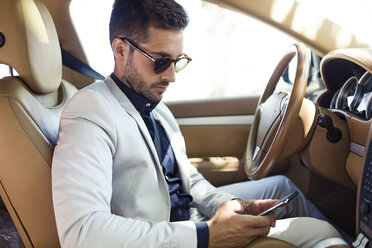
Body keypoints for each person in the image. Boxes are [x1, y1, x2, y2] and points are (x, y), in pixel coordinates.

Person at [52, 0, 348, 247]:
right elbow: (82, 233)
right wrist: (208, 235)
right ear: (121, 50)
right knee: (321, 234)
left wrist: (231, 205)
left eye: (178, 61)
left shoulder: (154, 106)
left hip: (189, 222)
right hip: (167, 234)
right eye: (160, 62)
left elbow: (189, 183)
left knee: (282, 188)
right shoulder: (90, 112)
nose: (171, 76)